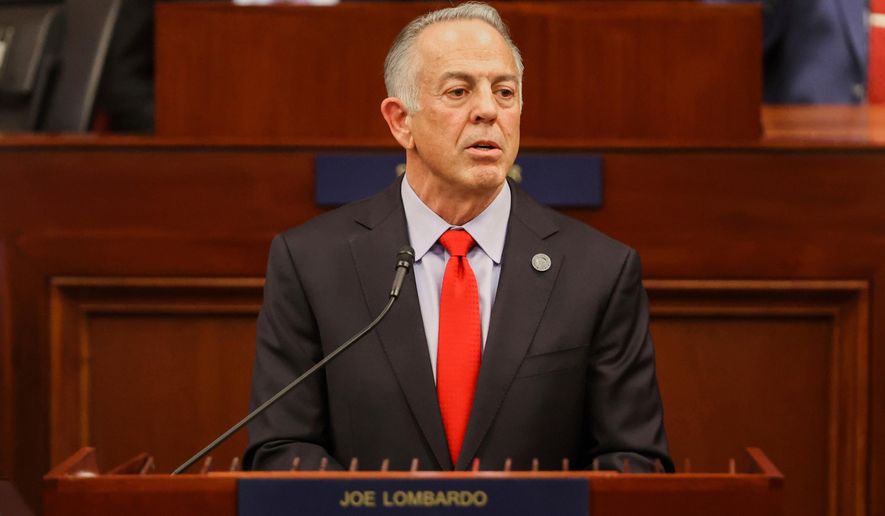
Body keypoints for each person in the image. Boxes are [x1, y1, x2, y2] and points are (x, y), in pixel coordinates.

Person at [244, 2, 672, 473]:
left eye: (504, 92)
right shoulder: (311, 263)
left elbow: (633, 460)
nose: (488, 110)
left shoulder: (599, 271)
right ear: (401, 120)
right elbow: (281, 447)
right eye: (459, 91)